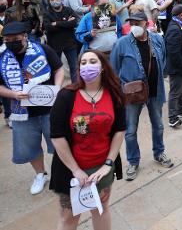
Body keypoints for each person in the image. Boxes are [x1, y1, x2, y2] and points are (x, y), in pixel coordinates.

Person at [49, 50, 126, 230]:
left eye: (92, 61)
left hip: (101, 169)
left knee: (100, 209)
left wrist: (108, 164)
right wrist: (76, 170)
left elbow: (119, 130)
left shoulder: (114, 94)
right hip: (71, 171)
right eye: (83, 63)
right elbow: (57, 136)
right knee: (69, 217)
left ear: (102, 68)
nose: (87, 66)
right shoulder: (66, 96)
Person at [0, 22, 64, 194]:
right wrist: (12, 94)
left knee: (60, 142)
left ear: (25, 37)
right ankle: (40, 174)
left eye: (15, 39)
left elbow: (59, 69)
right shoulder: (2, 58)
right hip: (21, 111)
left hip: (49, 107)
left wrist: (57, 89)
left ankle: (64, 172)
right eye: (7, 40)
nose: (11, 42)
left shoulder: (42, 50)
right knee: (29, 147)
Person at [110, 12, 173, 181]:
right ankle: (133, 161)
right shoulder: (122, 44)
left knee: (158, 125)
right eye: (131, 23)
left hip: (155, 91)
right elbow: (113, 68)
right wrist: (119, 89)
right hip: (132, 95)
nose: (134, 26)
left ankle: (159, 153)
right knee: (130, 130)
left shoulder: (157, 39)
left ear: (146, 23)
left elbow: (164, 59)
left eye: (137, 22)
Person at [43, 0, 79, 82]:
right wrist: (66, 23)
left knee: (74, 67)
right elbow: (48, 27)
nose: (55, 1)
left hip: (70, 43)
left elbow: (74, 23)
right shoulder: (47, 13)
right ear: (49, 1)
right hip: (54, 45)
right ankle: (55, 88)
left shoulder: (68, 10)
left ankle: (75, 87)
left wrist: (57, 23)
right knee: (55, 68)